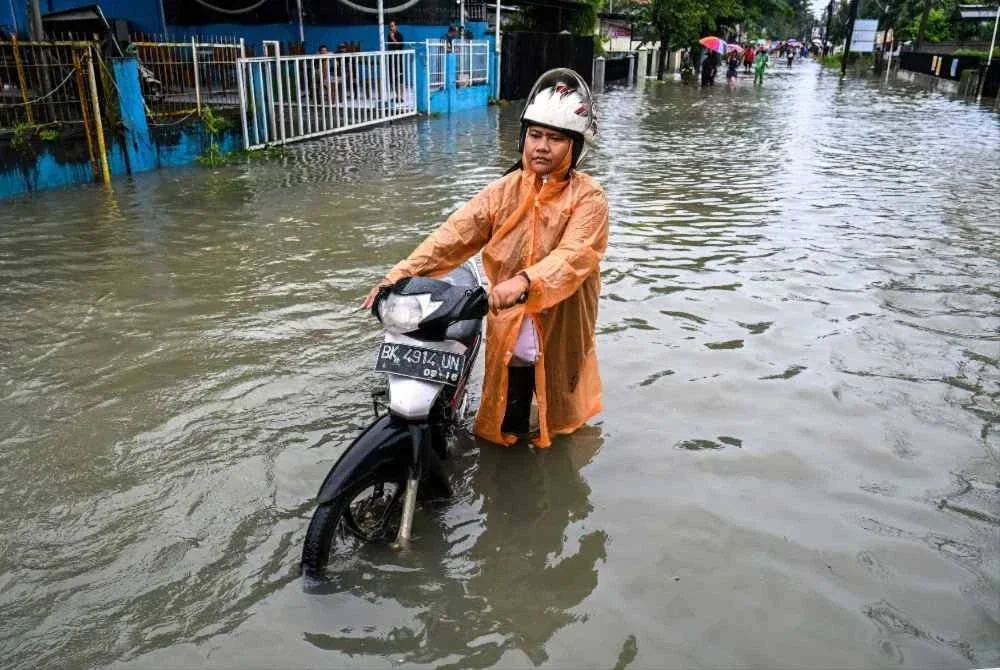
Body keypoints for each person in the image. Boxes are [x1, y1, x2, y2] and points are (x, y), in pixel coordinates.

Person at [362, 68, 608, 448]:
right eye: (535, 134)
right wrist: (396, 276)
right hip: (506, 311)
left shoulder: (589, 198)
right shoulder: (504, 191)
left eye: (556, 138)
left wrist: (525, 281)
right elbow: (454, 236)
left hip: (562, 313)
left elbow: (575, 255)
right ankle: (508, 446)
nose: (542, 146)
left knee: (558, 396)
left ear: (575, 147)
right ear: (523, 137)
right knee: (510, 384)